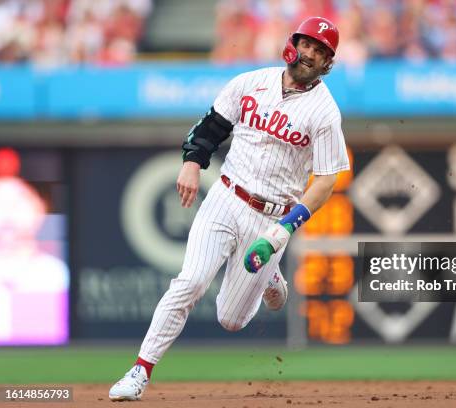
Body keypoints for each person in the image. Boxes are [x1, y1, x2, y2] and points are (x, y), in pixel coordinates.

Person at [108, 16, 349, 401]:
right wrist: (191, 163)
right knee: (190, 282)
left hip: (272, 217)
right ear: (294, 43)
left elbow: (325, 181)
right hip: (225, 195)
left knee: (231, 319)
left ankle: (271, 278)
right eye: (307, 44)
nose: (310, 54)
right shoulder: (250, 81)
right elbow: (211, 126)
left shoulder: (324, 111)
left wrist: (285, 229)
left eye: (320, 51)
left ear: (328, 64)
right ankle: (140, 371)